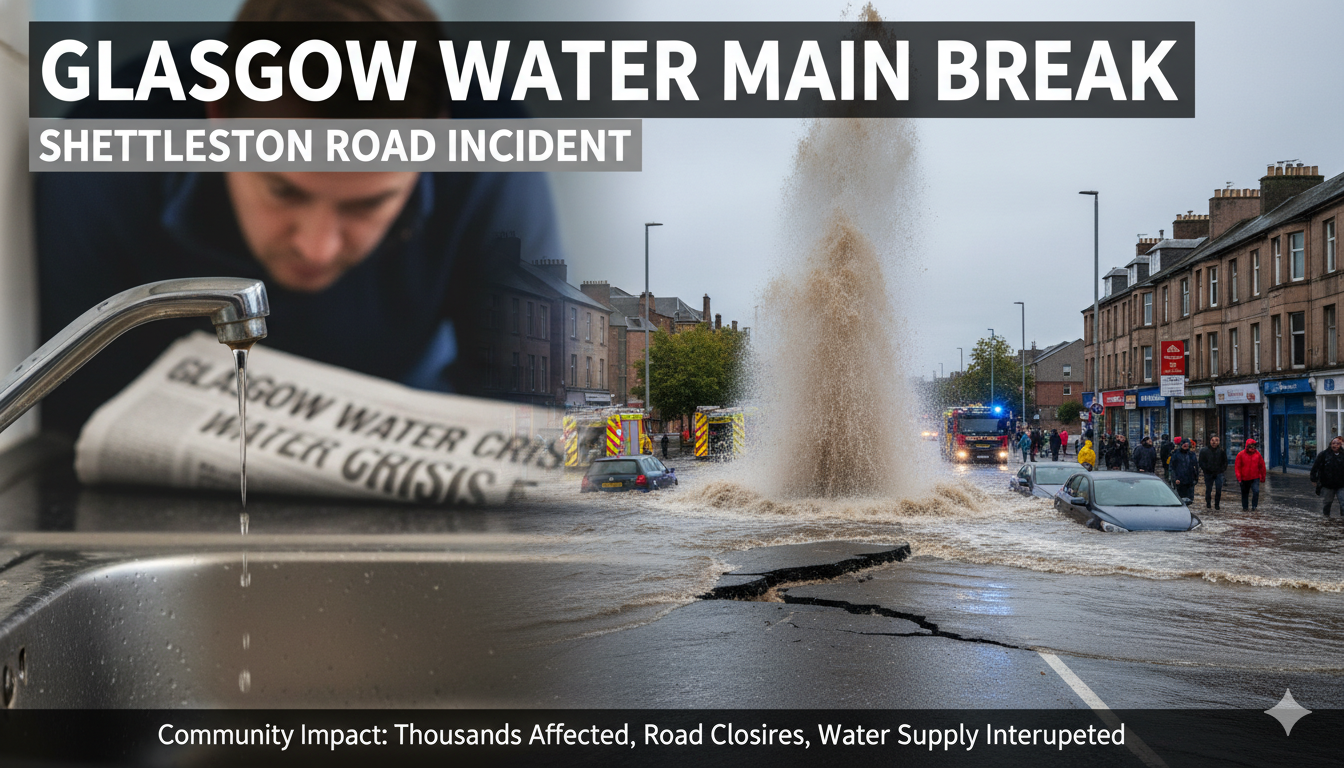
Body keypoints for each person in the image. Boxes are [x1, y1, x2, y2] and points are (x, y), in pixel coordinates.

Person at [34, 0, 563, 438]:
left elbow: (529, 407)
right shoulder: (105, 153)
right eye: (282, 189)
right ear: (217, 118)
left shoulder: (492, 153)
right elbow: (74, 412)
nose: (317, 247)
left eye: (367, 203)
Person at [1310, 436, 1344, 518]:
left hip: (1342, 484)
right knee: (1327, 503)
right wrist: (1313, 479)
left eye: (1338, 443)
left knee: (1343, 502)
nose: (1335, 445)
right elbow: (1315, 467)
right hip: (1327, 484)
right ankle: (1326, 518)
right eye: (1333, 443)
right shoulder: (1323, 454)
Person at [1235, 438, 1267, 511]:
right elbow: (1237, 467)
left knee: (1256, 491)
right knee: (1245, 493)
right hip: (1244, 478)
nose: (1252, 448)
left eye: (1253, 446)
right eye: (1251, 446)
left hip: (1255, 477)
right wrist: (1239, 478)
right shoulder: (1240, 455)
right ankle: (1245, 507)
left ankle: (1254, 506)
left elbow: (1262, 466)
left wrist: (1263, 477)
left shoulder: (1257, 455)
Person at [1198, 435, 1228, 510]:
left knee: (1218, 488)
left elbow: (1225, 461)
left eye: (1216, 440)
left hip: (1218, 473)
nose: (1214, 442)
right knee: (1209, 488)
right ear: (1210, 441)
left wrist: (1222, 469)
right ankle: (1208, 502)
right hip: (1208, 473)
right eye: (1212, 440)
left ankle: (1217, 504)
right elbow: (1201, 462)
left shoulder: (1221, 451)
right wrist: (1206, 469)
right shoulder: (1204, 451)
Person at [1170, 439, 1200, 504]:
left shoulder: (1192, 454)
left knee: (1189, 500)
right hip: (1180, 481)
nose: (1185, 445)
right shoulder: (1176, 454)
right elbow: (1171, 468)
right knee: (1180, 499)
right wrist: (1174, 479)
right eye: (1184, 444)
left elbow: (1196, 467)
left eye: (1187, 444)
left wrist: (1196, 478)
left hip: (1190, 481)